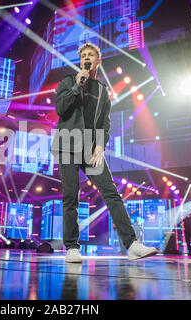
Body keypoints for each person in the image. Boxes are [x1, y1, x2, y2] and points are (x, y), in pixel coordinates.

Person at [50, 42, 158, 263]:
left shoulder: (102, 91)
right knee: (71, 196)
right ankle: (72, 248)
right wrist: (76, 86)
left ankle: (132, 244)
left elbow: (104, 123)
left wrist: (101, 144)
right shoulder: (69, 81)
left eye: (91, 55)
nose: (87, 58)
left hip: (90, 148)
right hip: (67, 145)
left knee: (111, 193)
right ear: (80, 61)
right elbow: (60, 109)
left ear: (98, 61)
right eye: (84, 56)